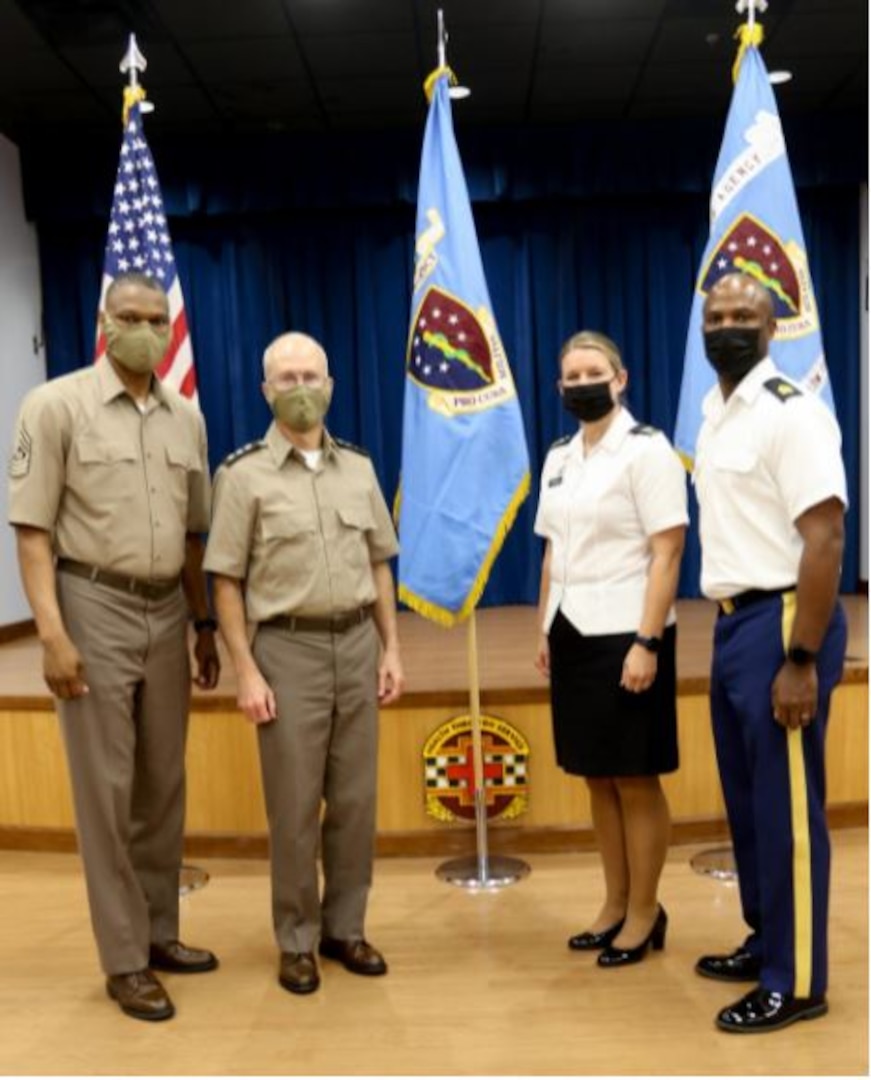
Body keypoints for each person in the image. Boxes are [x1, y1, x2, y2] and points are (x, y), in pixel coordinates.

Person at [8, 271, 221, 1023]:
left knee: (162, 785)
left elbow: (196, 534)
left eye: (157, 318)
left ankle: (161, 933)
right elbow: (31, 532)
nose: (146, 329)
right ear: (104, 320)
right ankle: (124, 960)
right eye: (129, 316)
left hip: (167, 609)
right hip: (91, 603)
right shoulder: (56, 405)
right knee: (106, 792)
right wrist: (53, 634)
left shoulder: (184, 418)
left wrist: (203, 625)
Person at [205, 331, 404, 996]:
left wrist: (390, 649)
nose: (299, 389)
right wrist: (246, 671)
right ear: (266, 390)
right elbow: (225, 581)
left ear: (330, 384)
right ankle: (295, 938)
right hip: (284, 652)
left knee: (353, 802)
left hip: (355, 645)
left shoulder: (358, 468)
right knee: (293, 808)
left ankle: (344, 928)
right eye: (285, 378)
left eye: (310, 375)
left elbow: (378, 562)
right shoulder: (241, 476)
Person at [692, 271, 848, 1034]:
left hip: (783, 623)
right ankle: (767, 940)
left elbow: (823, 538)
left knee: (787, 813)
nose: (725, 325)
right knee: (751, 806)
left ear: (772, 327)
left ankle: (799, 981)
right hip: (733, 622)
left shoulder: (792, 415)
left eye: (742, 315)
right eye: (714, 314)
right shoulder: (713, 412)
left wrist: (800, 657)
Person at [533, 330, 688, 968]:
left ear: (620, 379)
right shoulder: (560, 457)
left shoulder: (648, 451)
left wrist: (647, 641)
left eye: (592, 371)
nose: (581, 383)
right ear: (560, 388)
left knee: (635, 774)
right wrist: (544, 629)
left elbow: (668, 550)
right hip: (572, 631)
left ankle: (647, 910)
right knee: (596, 774)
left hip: (629, 632)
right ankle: (615, 901)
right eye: (570, 376)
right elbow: (552, 549)